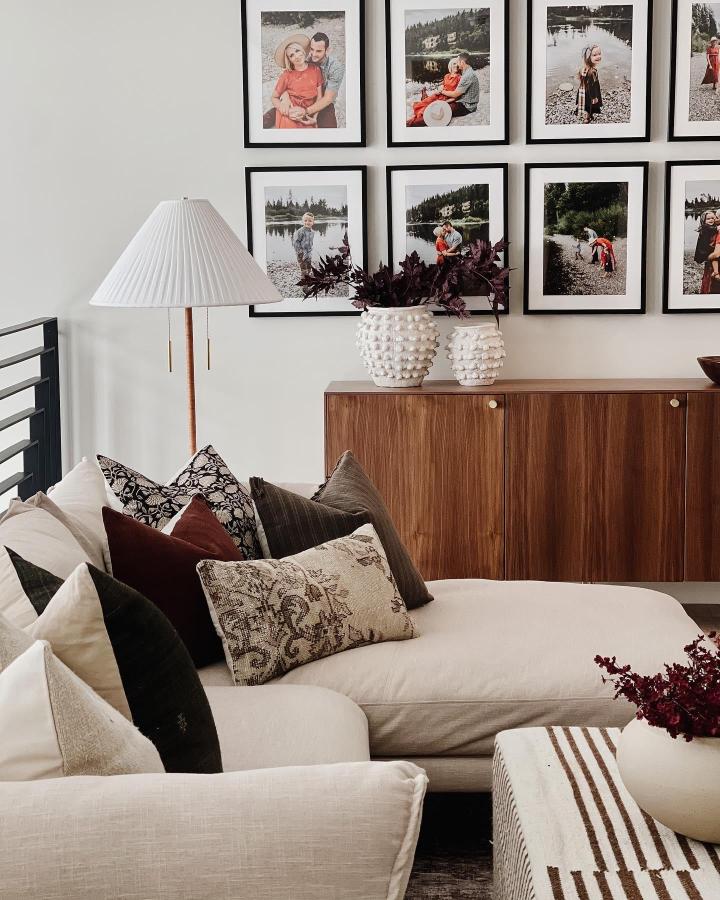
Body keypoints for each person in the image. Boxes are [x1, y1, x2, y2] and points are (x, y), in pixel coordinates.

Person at [263, 32, 344, 129]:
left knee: (330, 131)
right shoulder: (306, 59)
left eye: (318, 51)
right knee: (275, 114)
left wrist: (307, 113)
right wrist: (285, 96)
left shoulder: (335, 68)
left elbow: (327, 99)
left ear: (328, 50)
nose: (313, 54)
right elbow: (288, 77)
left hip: (324, 104)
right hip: (299, 101)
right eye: (312, 49)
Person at [407, 51, 480, 125]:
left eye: (457, 62)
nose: (457, 65)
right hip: (462, 101)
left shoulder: (467, 75)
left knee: (439, 110)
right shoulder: (467, 72)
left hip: (466, 106)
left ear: (462, 62)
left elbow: (455, 95)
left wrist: (442, 92)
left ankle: (412, 123)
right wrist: (441, 89)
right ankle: (423, 103)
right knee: (433, 105)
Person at [269, 35, 323, 129]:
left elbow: (319, 97)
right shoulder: (286, 75)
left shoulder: (315, 70)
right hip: (290, 113)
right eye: (291, 55)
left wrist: (315, 118)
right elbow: (274, 97)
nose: (296, 56)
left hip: (308, 113)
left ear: (302, 50)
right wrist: (284, 109)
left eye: (297, 51)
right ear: (289, 60)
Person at [406, 58, 461, 127]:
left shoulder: (459, 78)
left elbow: (457, 96)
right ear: (450, 65)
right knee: (423, 103)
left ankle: (413, 120)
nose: (456, 66)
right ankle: (423, 98)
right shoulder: (446, 76)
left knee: (428, 108)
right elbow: (443, 86)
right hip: (439, 95)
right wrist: (439, 90)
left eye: (457, 64)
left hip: (447, 99)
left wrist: (446, 101)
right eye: (454, 64)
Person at [577, 45, 603, 123]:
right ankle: (587, 118)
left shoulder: (584, 68)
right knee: (590, 106)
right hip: (590, 94)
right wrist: (594, 97)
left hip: (583, 92)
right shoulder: (592, 72)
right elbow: (592, 87)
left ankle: (586, 115)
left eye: (599, 54)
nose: (598, 56)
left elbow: (583, 82)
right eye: (594, 55)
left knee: (586, 105)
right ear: (588, 58)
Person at [694, 210, 720, 281]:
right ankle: (716, 272)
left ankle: (715, 272)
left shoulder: (710, 228)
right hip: (704, 251)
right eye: (708, 219)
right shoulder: (705, 227)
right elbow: (711, 229)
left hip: (708, 249)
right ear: (704, 221)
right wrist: (717, 228)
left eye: (713, 218)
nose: (711, 220)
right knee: (714, 258)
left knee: (714, 259)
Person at [292, 212, 315, 278]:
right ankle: (304, 279)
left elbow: (311, 242)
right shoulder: (300, 231)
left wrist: (310, 250)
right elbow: (296, 242)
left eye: (310, 221)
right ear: (303, 221)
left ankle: (308, 274)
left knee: (309, 265)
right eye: (305, 220)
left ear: (313, 222)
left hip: (308, 252)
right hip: (301, 252)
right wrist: (300, 251)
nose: (307, 222)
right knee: (303, 267)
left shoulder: (312, 232)